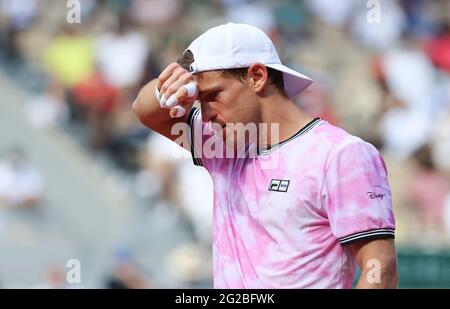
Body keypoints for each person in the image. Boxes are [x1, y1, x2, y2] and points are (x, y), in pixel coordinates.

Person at [133, 23, 398, 288]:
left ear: (257, 76)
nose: (207, 112)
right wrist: (171, 83)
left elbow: (380, 269)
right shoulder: (222, 144)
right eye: (200, 101)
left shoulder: (341, 154)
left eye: (213, 95)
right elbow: (144, 110)